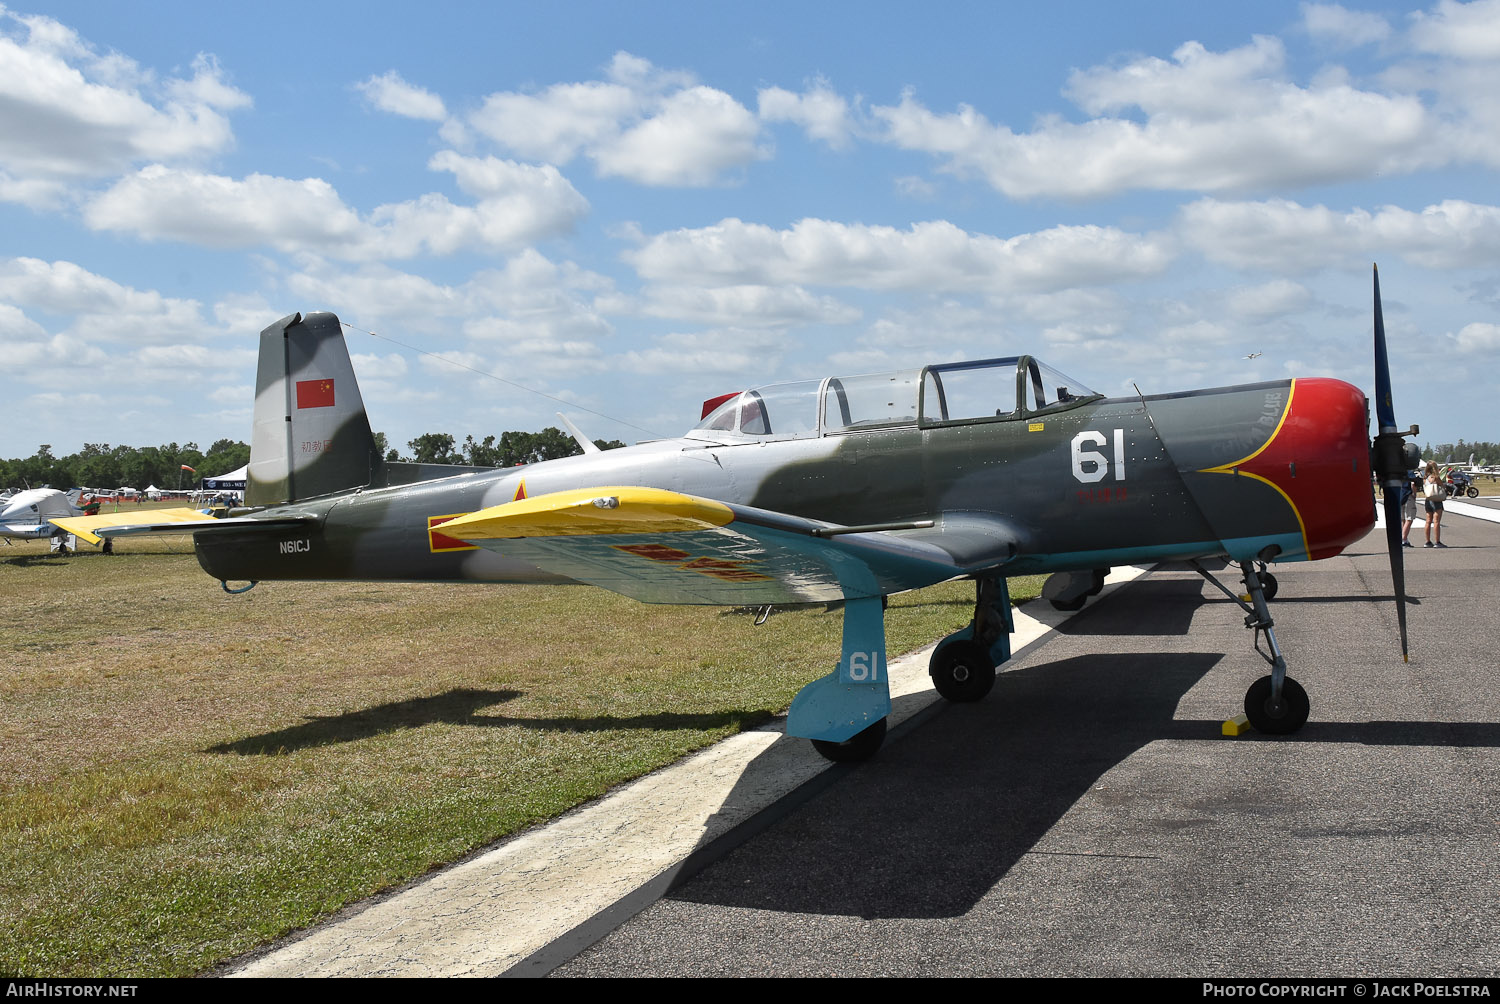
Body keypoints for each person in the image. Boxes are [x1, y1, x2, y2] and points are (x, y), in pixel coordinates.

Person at [1422, 461, 1447, 548]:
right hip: (1436, 500)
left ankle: (1428, 541)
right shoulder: (1436, 478)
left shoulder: (1425, 478)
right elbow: (1442, 486)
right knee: (1436, 521)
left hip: (1428, 499)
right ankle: (1437, 541)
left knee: (1428, 521)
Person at [1400, 470, 1420, 547]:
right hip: (1408, 496)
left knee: (1403, 519)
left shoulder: (1398, 472)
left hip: (1401, 496)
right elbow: (1412, 484)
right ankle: (1403, 539)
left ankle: (1404, 538)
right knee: (1409, 518)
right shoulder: (1410, 472)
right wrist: (1414, 494)